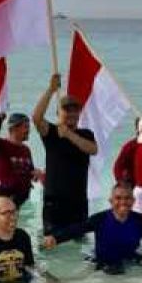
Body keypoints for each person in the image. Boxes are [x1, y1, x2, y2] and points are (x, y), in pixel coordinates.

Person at [42, 182, 142, 273]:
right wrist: (55, 238)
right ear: (111, 201)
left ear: (133, 201)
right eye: (118, 198)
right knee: (116, 274)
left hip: (130, 256)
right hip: (104, 260)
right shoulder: (100, 219)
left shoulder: (139, 220)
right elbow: (76, 229)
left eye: (127, 198)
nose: (123, 202)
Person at [33, 73, 98, 233]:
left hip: (78, 202)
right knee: (51, 247)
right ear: (58, 112)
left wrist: (69, 135)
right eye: (66, 110)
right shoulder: (51, 132)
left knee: (77, 246)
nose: (71, 113)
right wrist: (51, 90)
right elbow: (36, 118)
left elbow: (93, 149)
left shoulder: (86, 134)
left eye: (75, 110)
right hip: (54, 203)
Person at [0, 112, 42, 207]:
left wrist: (36, 174)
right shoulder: (1, 145)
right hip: (2, 198)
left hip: (22, 199)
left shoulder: (26, 150)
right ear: (14, 128)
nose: (28, 130)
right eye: (25, 127)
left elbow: (29, 171)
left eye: (28, 127)